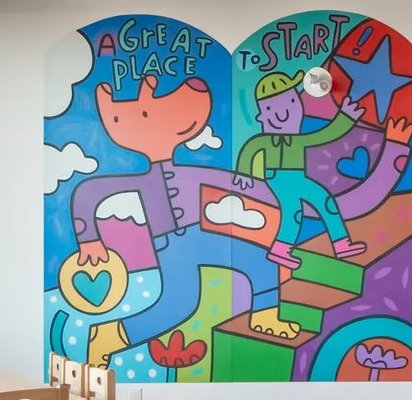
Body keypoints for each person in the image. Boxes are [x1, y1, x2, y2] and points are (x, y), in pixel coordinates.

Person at [65, 73, 301, 361]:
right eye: (147, 114)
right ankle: (109, 336)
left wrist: (263, 187)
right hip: (173, 245)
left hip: (202, 234)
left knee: (259, 261)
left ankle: (264, 316)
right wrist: (89, 240)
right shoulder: (143, 179)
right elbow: (88, 192)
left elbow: (229, 181)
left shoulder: (187, 172)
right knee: (179, 305)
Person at [236, 67, 409, 267]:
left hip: (298, 178)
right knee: (295, 211)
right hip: (278, 178)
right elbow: (250, 149)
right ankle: (284, 249)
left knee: (322, 202)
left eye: (291, 101)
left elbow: (325, 135)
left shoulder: (300, 140)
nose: (282, 112)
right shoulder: (264, 141)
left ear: (299, 105)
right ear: (261, 116)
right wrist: (244, 173)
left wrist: (346, 118)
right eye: (270, 108)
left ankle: (339, 243)